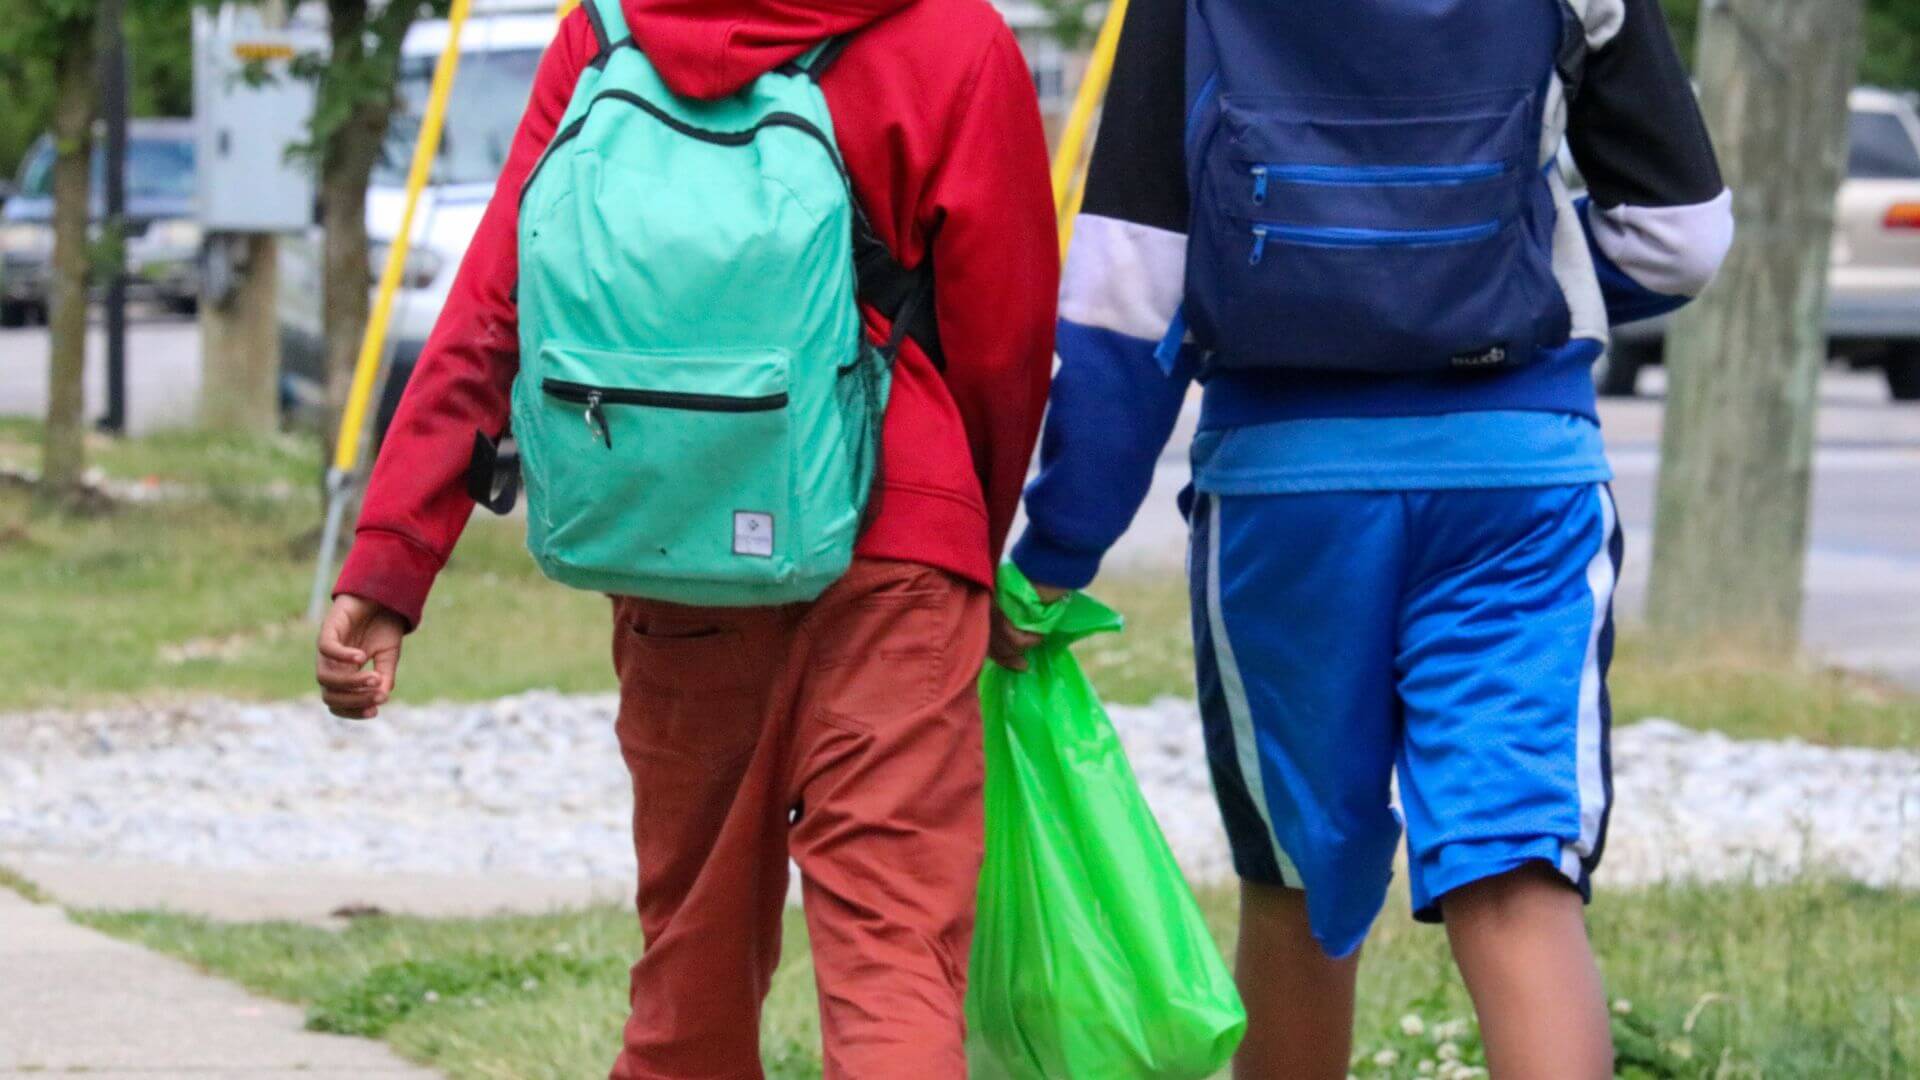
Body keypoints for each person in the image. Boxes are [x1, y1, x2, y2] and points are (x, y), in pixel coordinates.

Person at [314, 0, 1057, 1075]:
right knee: (893, 955)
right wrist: (968, 549)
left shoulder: (608, 34)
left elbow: (495, 305)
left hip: (681, 544)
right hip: (899, 544)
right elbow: (1007, 335)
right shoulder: (956, 38)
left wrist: (391, 562)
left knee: (689, 973)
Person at [1004, 0, 1733, 1075]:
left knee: (1298, 885)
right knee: (1514, 870)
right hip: (1516, 476)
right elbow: (1679, 239)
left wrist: (1055, 553)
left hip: (1288, 489)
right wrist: (1532, 278)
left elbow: (1132, 282)